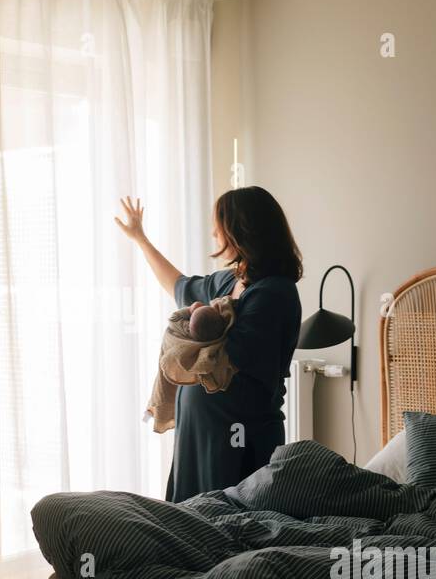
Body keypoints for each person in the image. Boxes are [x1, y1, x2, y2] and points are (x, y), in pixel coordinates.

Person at [116, 186, 303, 502]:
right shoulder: (230, 281)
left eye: (220, 226)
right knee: (190, 525)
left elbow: (226, 360)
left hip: (238, 437)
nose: (214, 234)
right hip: (198, 433)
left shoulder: (273, 294)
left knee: (228, 527)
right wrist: (141, 239)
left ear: (241, 231)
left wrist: (190, 332)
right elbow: (179, 286)